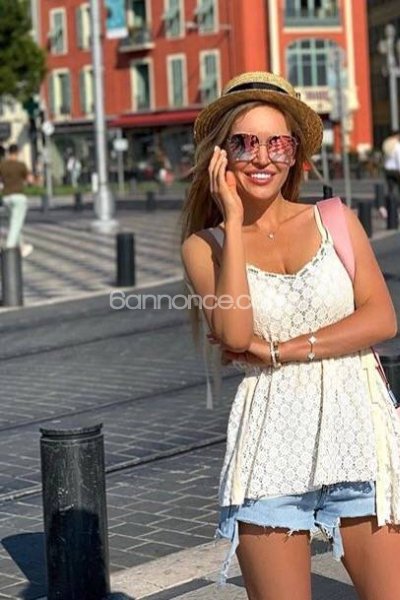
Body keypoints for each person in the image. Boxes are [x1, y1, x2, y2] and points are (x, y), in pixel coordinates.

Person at [180, 72, 400, 600]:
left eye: (276, 143)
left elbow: (381, 319)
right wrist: (233, 220)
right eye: (244, 143)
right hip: (272, 446)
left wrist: (281, 349)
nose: (262, 157)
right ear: (221, 156)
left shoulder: (335, 220)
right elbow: (235, 332)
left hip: (359, 434)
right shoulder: (204, 247)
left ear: (295, 153)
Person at [0, 144, 33, 257]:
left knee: (14, 222)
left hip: (6, 197)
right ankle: (9, 247)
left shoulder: (2, 165)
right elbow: (29, 179)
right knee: (16, 223)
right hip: (19, 196)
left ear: (8, 152)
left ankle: (22, 246)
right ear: (17, 152)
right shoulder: (21, 165)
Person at [382, 130, 400, 199]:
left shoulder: (386, 144)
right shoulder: (397, 145)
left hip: (387, 169)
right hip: (396, 170)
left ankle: (390, 202)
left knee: (390, 188)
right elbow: (399, 159)